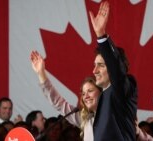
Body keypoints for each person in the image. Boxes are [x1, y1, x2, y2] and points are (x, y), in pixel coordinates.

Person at [89, 1, 138, 140]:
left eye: (101, 65)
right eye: (94, 65)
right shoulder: (103, 95)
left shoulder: (123, 88)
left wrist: (101, 36)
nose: (94, 71)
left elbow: (116, 70)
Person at [30, 51, 102, 141]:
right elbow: (58, 103)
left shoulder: (114, 113)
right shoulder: (85, 119)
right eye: (83, 94)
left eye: (90, 91)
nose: (86, 96)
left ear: (101, 92)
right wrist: (41, 73)